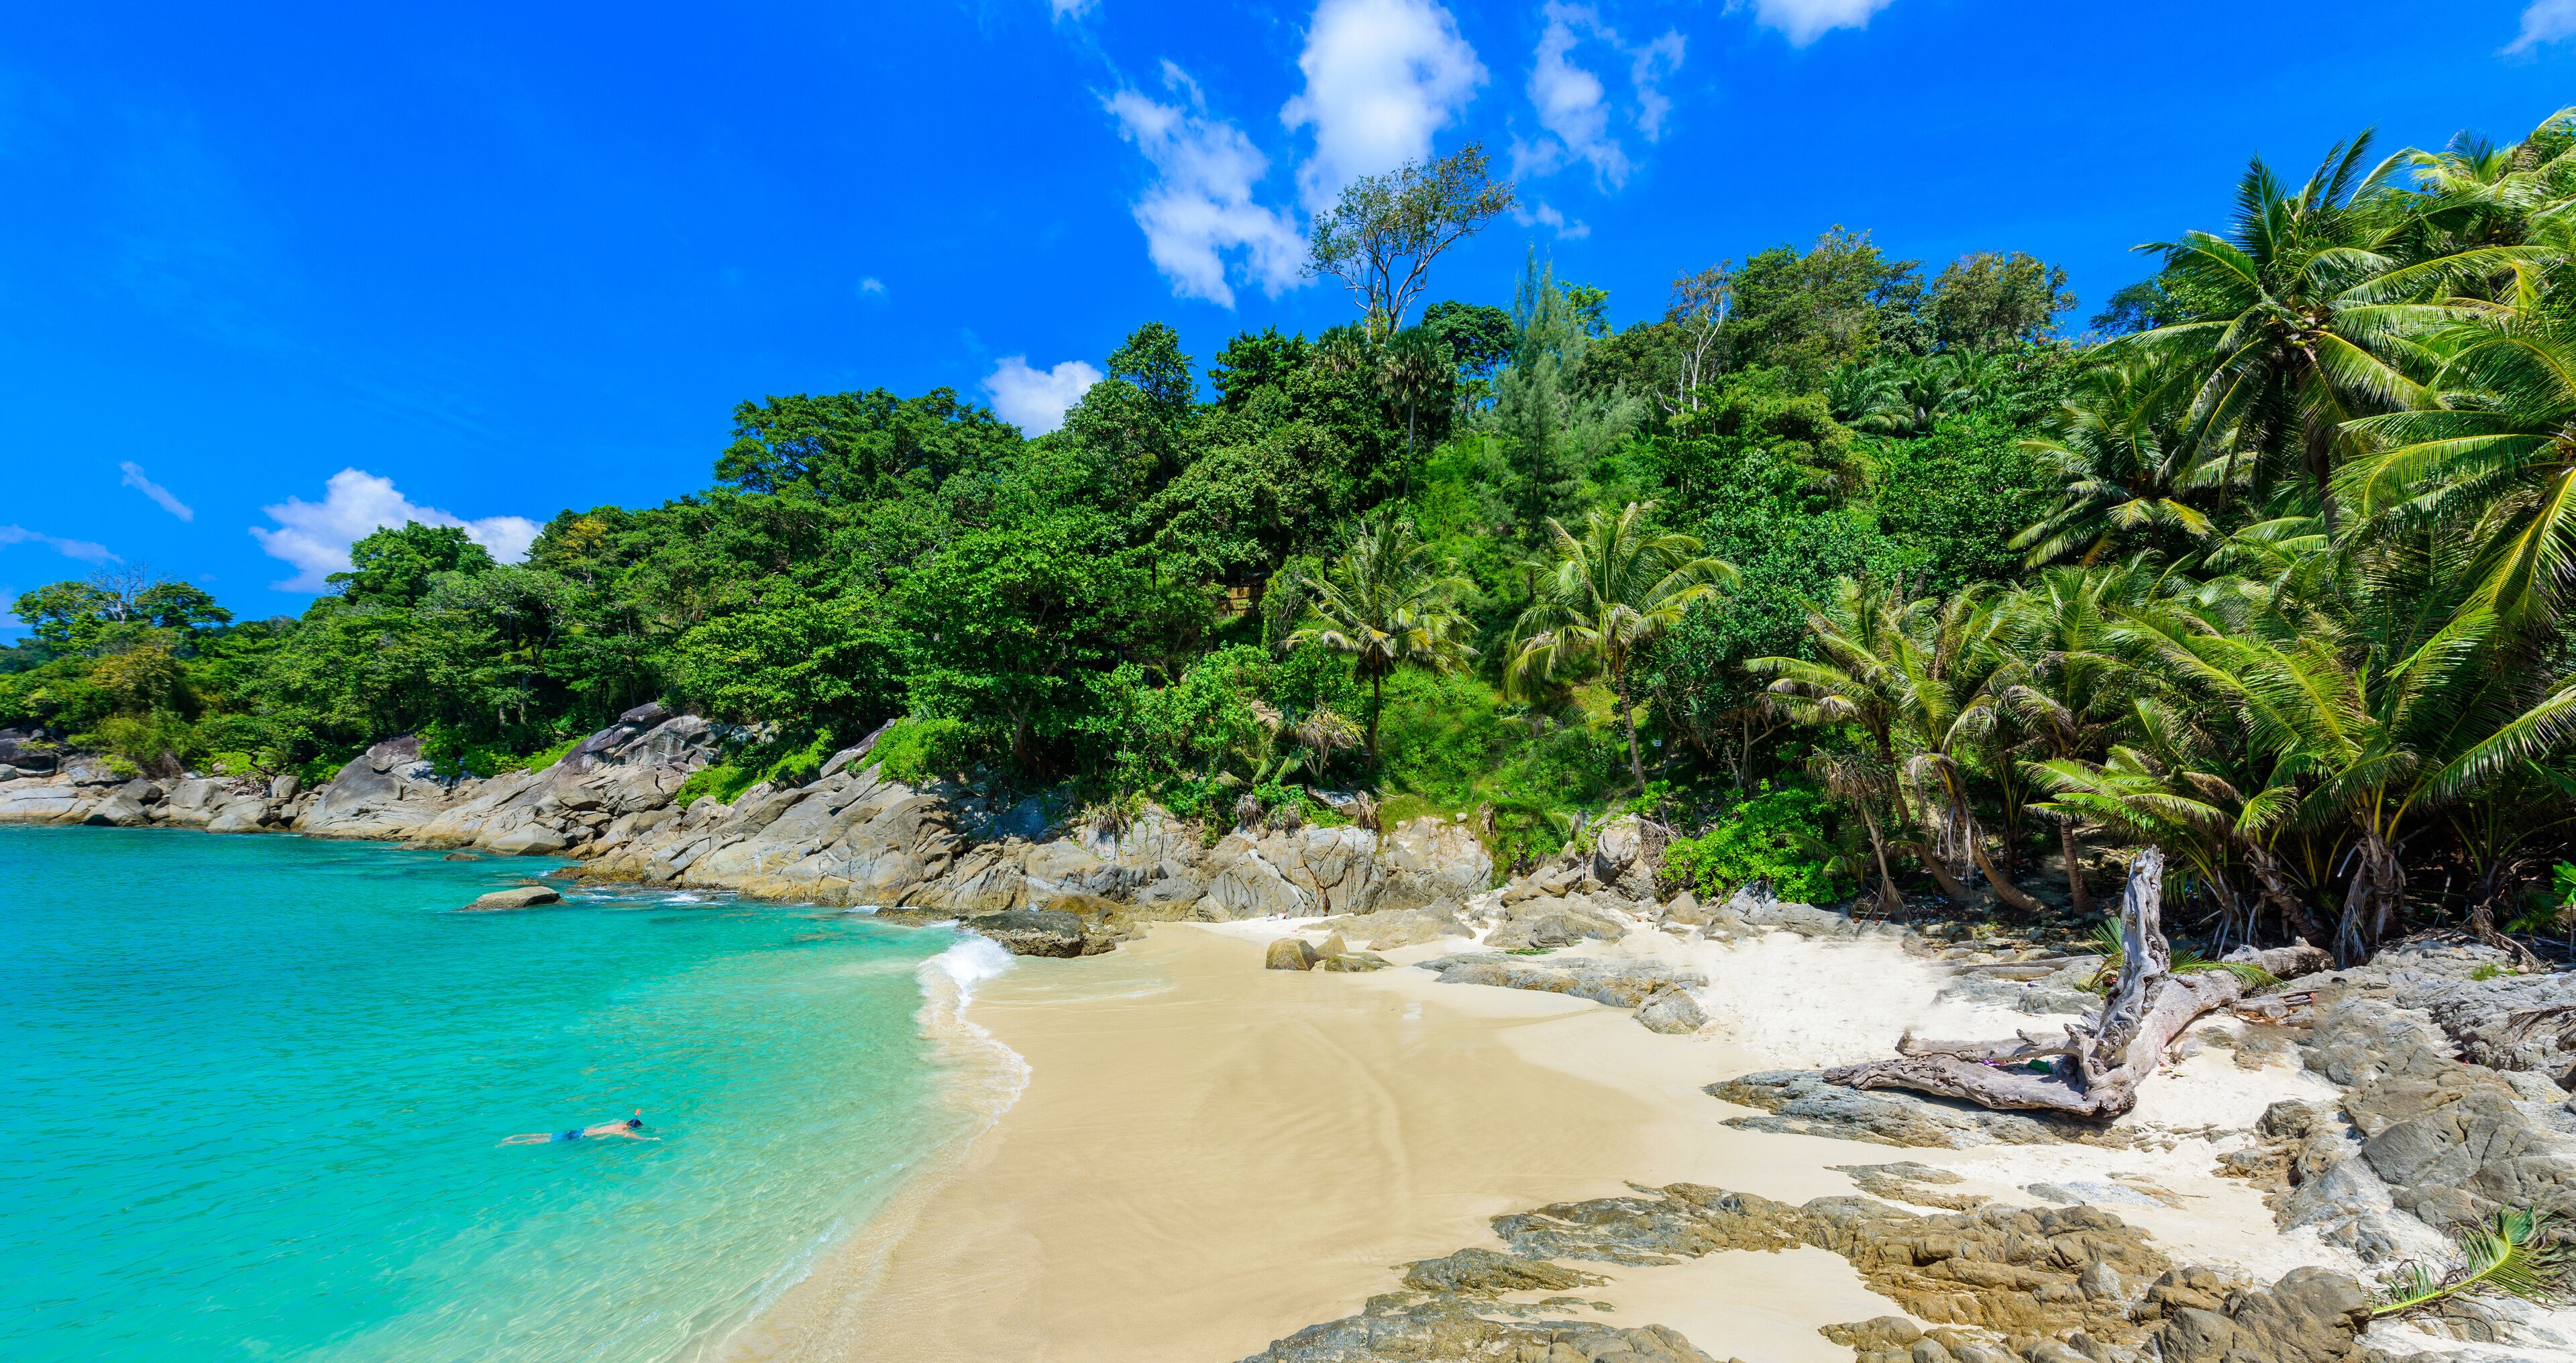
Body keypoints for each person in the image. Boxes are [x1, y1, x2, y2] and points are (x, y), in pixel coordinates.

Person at [499, 1109, 659, 1145]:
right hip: (579, 1137)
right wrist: (652, 1138)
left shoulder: (619, 1124)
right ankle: (513, 1143)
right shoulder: (622, 1131)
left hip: (579, 1131)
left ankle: (513, 1137)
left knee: (546, 1134)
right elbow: (635, 1137)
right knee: (543, 1140)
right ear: (631, 1127)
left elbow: (633, 1127)